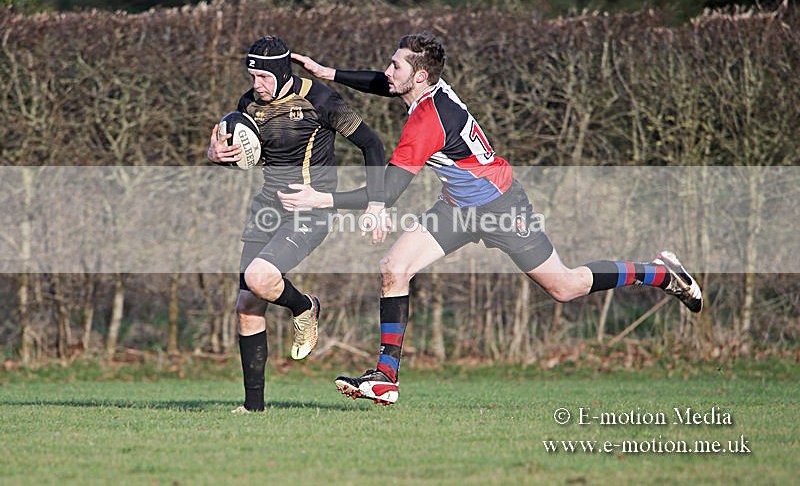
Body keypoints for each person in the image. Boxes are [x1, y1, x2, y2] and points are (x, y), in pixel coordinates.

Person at [279, 32, 703, 405]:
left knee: (565, 286)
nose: (386, 70)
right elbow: (385, 84)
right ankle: (386, 377)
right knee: (394, 267)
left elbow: (387, 192)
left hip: (501, 207)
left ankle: (661, 274)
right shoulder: (427, 89)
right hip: (458, 208)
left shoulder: (426, 121)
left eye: (395, 64)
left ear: (421, 76)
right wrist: (328, 72)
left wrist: (323, 199)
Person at [208, 35, 387, 413]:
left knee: (258, 280)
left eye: (264, 78)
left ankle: (304, 306)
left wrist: (376, 202)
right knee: (246, 306)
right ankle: (253, 408)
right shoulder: (249, 106)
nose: (256, 85)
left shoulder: (321, 101)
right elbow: (253, 157)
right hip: (267, 211)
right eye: (252, 76)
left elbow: (372, 145)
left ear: (282, 72)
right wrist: (219, 155)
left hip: (310, 211)